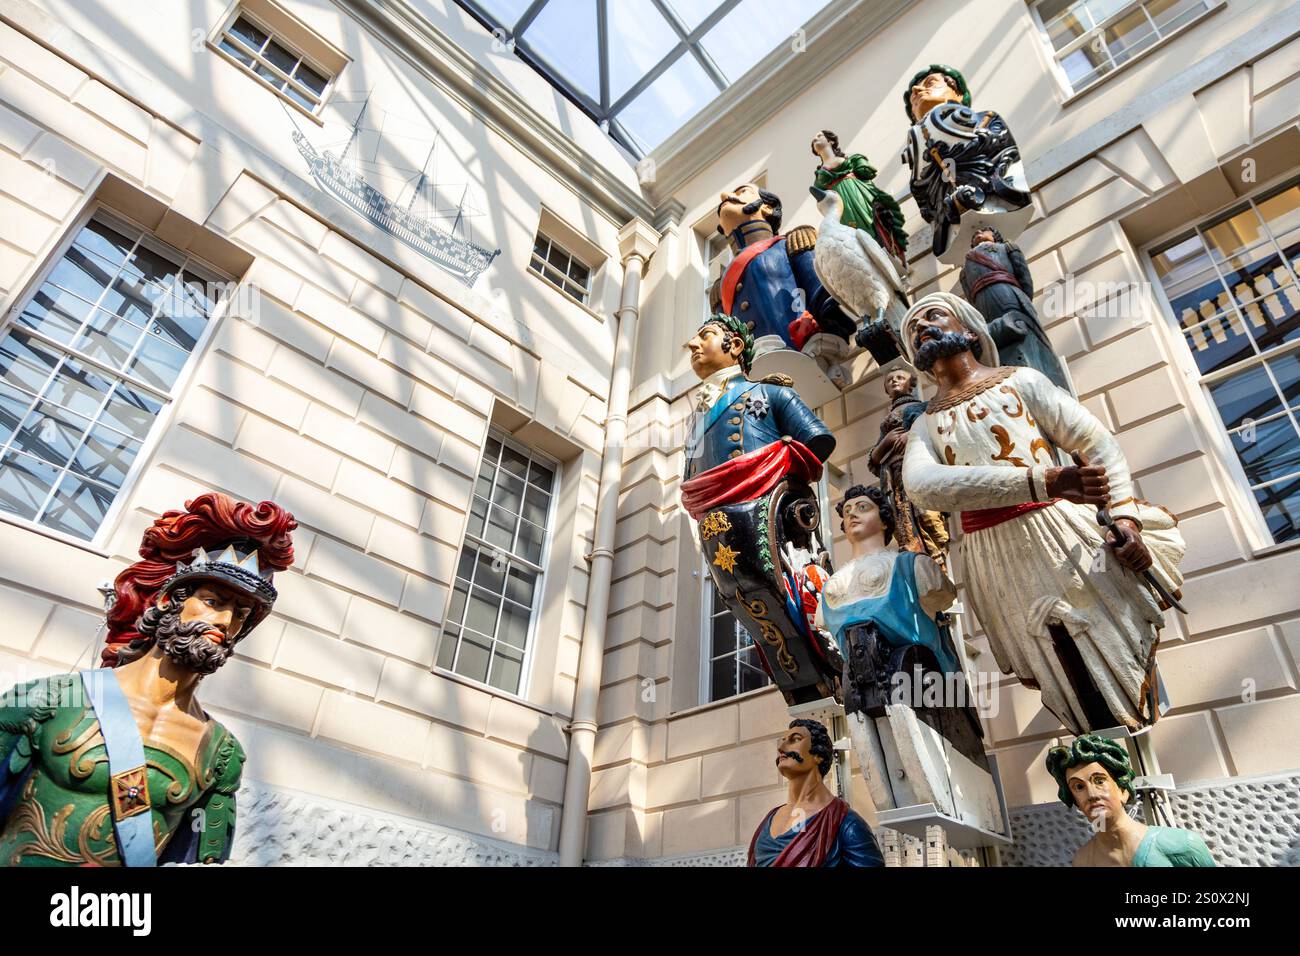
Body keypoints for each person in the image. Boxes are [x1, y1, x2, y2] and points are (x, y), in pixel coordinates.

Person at [899, 292, 1185, 735]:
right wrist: (1043, 480)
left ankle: (1135, 742)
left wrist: (1124, 516)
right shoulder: (924, 424)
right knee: (1049, 651)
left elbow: (1098, 444)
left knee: (1108, 633)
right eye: (913, 326)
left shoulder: (1021, 381)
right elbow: (921, 486)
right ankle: (1096, 750)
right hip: (992, 555)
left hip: (1059, 532)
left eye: (934, 316)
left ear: (968, 328)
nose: (922, 327)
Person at [0, 493, 296, 866]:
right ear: (165, 602)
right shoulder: (49, 701)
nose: (225, 622)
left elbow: (204, 862)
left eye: (241, 614)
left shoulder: (221, 754)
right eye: (213, 601)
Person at [682, 314, 841, 705]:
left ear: (735, 346)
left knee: (774, 590)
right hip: (717, 520)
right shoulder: (695, 420)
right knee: (744, 596)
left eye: (705, 336)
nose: (692, 345)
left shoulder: (772, 395)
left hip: (761, 509)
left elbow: (816, 439)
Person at [900, 64, 1032, 261]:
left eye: (930, 83)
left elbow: (1000, 149)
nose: (918, 91)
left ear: (958, 93)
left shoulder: (983, 120)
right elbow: (923, 193)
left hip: (988, 195)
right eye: (913, 97)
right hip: (951, 211)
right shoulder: (917, 148)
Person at [1046, 734, 1214, 866]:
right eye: (1079, 787)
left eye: (1099, 781)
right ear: (1075, 802)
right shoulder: (1083, 862)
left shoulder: (1183, 845)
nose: (1092, 794)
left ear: (1123, 790)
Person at [748, 718, 884, 867]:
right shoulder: (769, 820)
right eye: (783, 740)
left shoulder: (846, 824)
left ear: (818, 754)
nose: (781, 747)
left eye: (795, 739)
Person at [960, 226, 1072, 393]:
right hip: (983, 303)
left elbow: (1023, 276)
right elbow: (970, 294)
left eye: (984, 230)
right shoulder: (964, 269)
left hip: (1007, 292)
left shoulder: (1007, 248)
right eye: (976, 233)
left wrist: (1021, 299)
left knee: (1018, 330)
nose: (978, 233)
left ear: (995, 235)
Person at [867, 365, 949, 566]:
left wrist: (911, 435)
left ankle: (938, 567)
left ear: (911, 383)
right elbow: (874, 460)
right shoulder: (886, 423)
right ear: (886, 389)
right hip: (896, 479)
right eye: (889, 380)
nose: (894, 381)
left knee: (929, 519)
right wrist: (886, 442)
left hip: (919, 473)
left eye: (900, 377)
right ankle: (920, 569)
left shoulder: (921, 408)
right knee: (904, 527)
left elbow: (937, 432)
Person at [810, 130, 908, 267]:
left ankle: (891, 254)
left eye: (819, 136)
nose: (815, 139)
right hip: (841, 205)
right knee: (852, 234)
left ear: (830, 141)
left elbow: (866, 172)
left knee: (873, 221)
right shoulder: (819, 174)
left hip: (859, 194)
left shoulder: (851, 159)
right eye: (813, 139)